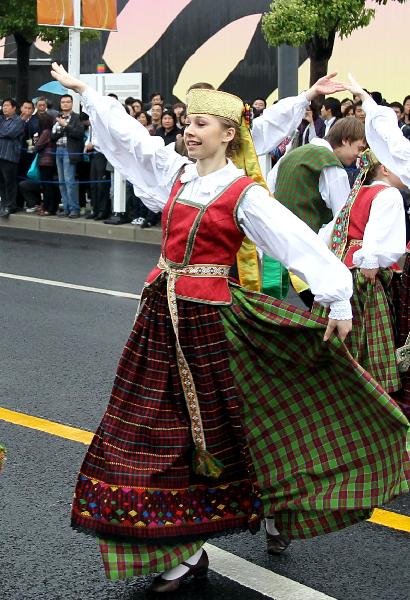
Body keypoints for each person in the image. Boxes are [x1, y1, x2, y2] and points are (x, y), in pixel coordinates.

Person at [51, 63, 409, 593]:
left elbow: (296, 241)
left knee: (211, 432)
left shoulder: (243, 193)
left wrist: (337, 299)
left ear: (228, 133)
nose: (188, 130)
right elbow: (133, 142)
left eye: (200, 123)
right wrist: (89, 94)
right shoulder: (177, 176)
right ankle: (183, 544)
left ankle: (202, 540)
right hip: (159, 321)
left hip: (209, 325)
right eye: (187, 122)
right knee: (150, 429)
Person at [346, 74, 410, 418]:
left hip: (354, 270)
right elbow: (394, 142)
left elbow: (394, 142)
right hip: (361, 271)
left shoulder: (369, 191)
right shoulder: (383, 193)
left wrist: (367, 101)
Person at [318, 149, 406, 394]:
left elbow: (332, 231)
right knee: (368, 336)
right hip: (364, 273)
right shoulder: (389, 194)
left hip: (341, 270)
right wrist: (371, 260)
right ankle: (371, 392)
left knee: (344, 335)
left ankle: (339, 387)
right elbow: (377, 240)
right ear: (385, 169)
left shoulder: (357, 193)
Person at [51, 94, 84, 218]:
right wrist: (62, 128)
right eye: (63, 102)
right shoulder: (57, 117)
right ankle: (65, 207)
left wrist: (65, 125)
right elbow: (52, 137)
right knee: (61, 182)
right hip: (58, 150)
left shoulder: (76, 117)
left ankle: (74, 208)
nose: (65, 104)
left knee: (70, 181)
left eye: (67, 102)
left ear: (71, 103)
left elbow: (79, 133)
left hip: (69, 151)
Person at [0, 98, 25, 218]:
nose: (4, 108)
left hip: (9, 156)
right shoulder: (1, 120)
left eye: (7, 105)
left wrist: (3, 132)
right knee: (1, 183)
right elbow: (5, 132)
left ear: (14, 108)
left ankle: (11, 206)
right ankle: (3, 204)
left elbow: (11, 133)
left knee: (10, 182)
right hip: (0, 154)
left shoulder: (18, 120)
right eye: (3, 106)